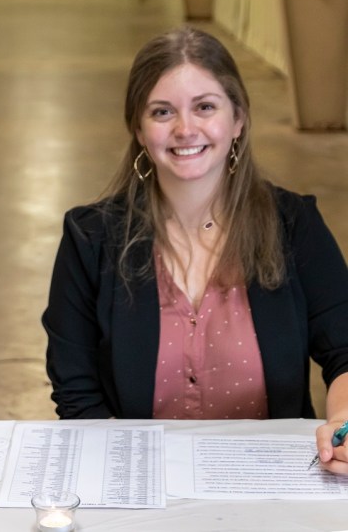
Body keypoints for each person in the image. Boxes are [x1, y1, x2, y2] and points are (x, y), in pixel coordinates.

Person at [41, 26, 348, 473]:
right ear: (139, 129)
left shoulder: (294, 225)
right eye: (162, 112)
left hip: (269, 480)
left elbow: (345, 351)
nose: (186, 130)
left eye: (205, 107)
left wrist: (343, 421)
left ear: (238, 119)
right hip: (138, 482)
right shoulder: (91, 239)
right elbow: (77, 396)